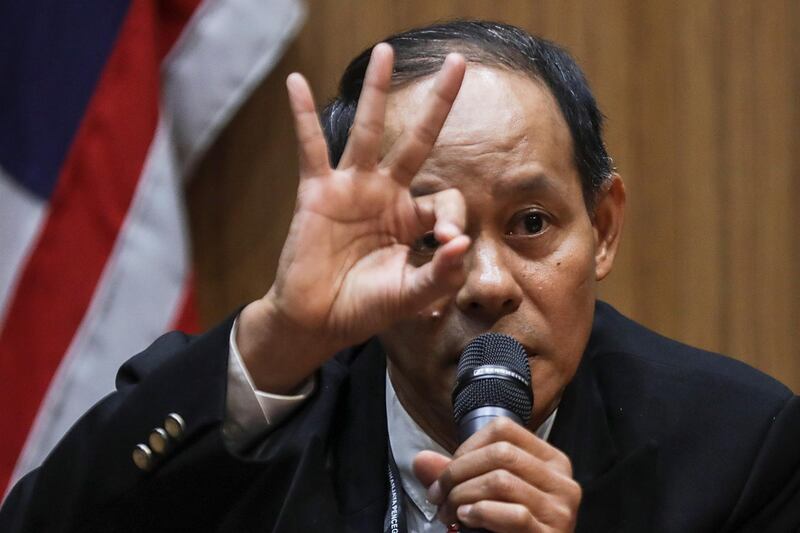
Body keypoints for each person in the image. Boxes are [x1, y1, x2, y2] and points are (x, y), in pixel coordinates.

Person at [1, 20, 798, 533]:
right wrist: (280, 335)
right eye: (429, 233)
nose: (486, 281)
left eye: (531, 224)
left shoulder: (738, 452)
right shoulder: (249, 421)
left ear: (605, 227)